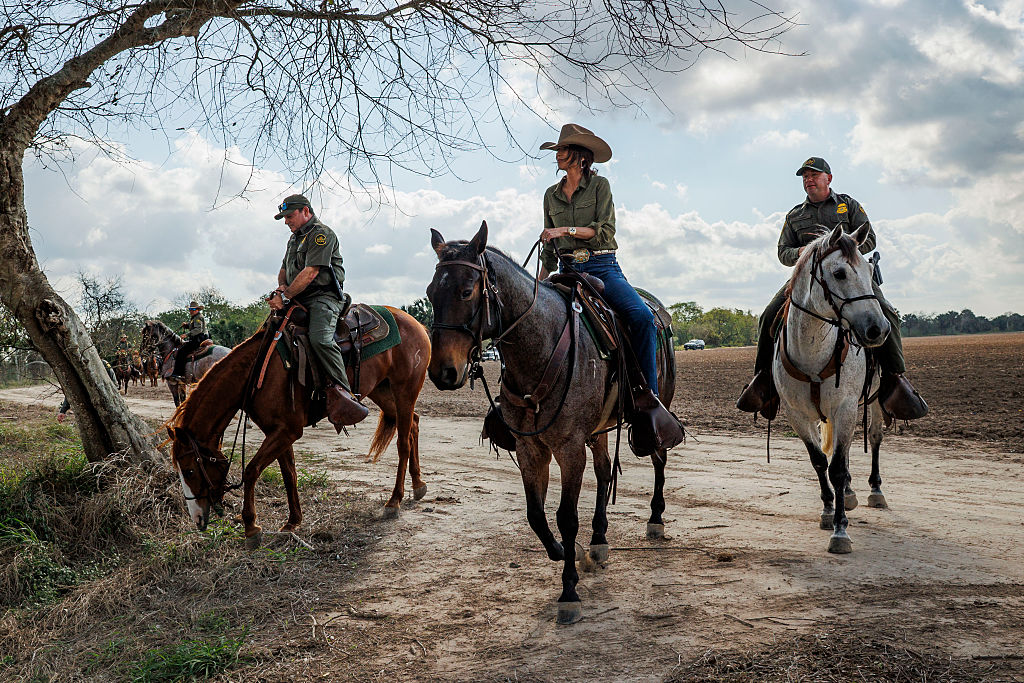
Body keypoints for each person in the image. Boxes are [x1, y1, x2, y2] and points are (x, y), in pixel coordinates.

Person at [736, 156, 928, 420]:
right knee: (769, 314)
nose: (808, 180)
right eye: (805, 176)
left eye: (814, 175)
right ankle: (764, 379)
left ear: (829, 178)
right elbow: (783, 253)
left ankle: (895, 379)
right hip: (807, 279)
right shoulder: (795, 215)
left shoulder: (848, 205)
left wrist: (841, 248)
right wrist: (803, 252)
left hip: (850, 274)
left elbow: (869, 237)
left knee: (888, 314)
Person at [537, 123, 663, 401]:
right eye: (558, 149)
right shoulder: (550, 195)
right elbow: (549, 249)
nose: (558, 154)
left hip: (602, 268)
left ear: (582, 156)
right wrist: (537, 284)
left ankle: (648, 398)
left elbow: (604, 231)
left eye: (565, 149)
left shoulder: (599, 186)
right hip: (566, 270)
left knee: (642, 318)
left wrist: (564, 230)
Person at [267, 193, 368, 428]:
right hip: (297, 296)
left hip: (323, 297)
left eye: (289, 216)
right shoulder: (294, 239)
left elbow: (311, 272)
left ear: (305, 211)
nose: (286, 221)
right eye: (284, 217)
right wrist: (281, 287)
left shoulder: (321, 234)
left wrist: (286, 295)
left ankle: (344, 396)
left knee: (320, 339)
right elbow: (284, 269)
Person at [169, 301, 210, 381]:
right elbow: (193, 326)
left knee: (181, 352)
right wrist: (187, 325)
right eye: (190, 309)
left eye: (193, 309)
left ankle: (179, 374)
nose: (191, 311)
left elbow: (198, 329)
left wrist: (186, 335)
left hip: (199, 338)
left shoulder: (198, 317)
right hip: (198, 337)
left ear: (197, 310)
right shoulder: (195, 317)